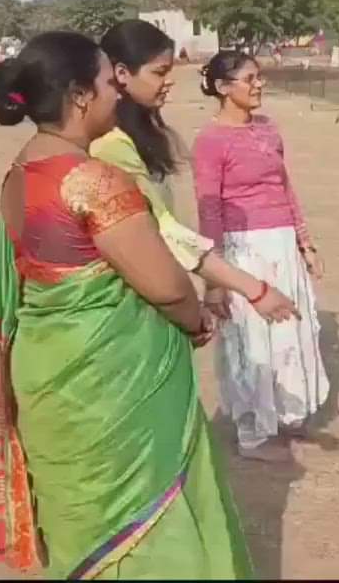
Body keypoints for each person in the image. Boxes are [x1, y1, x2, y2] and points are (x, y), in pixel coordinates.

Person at [0, 31, 254, 579]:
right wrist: (197, 320)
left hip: (50, 380)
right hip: (112, 389)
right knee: (142, 533)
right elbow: (165, 285)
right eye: (105, 83)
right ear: (78, 96)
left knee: (81, 528)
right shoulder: (95, 181)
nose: (115, 94)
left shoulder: (19, 173)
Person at [92, 23, 303, 453]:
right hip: (127, 296)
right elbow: (165, 230)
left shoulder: (142, 135)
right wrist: (248, 288)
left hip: (154, 285)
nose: (169, 81)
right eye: (159, 72)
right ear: (121, 73)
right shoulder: (111, 146)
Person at [192, 51, 331, 461]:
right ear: (222, 88)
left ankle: (286, 417)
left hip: (282, 244)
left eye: (259, 77)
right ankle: (253, 432)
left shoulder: (269, 130)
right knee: (252, 340)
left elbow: (285, 188)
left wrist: (305, 244)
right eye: (249, 79)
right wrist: (214, 281)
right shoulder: (210, 141)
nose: (258, 85)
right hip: (243, 251)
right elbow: (209, 210)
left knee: (290, 334)